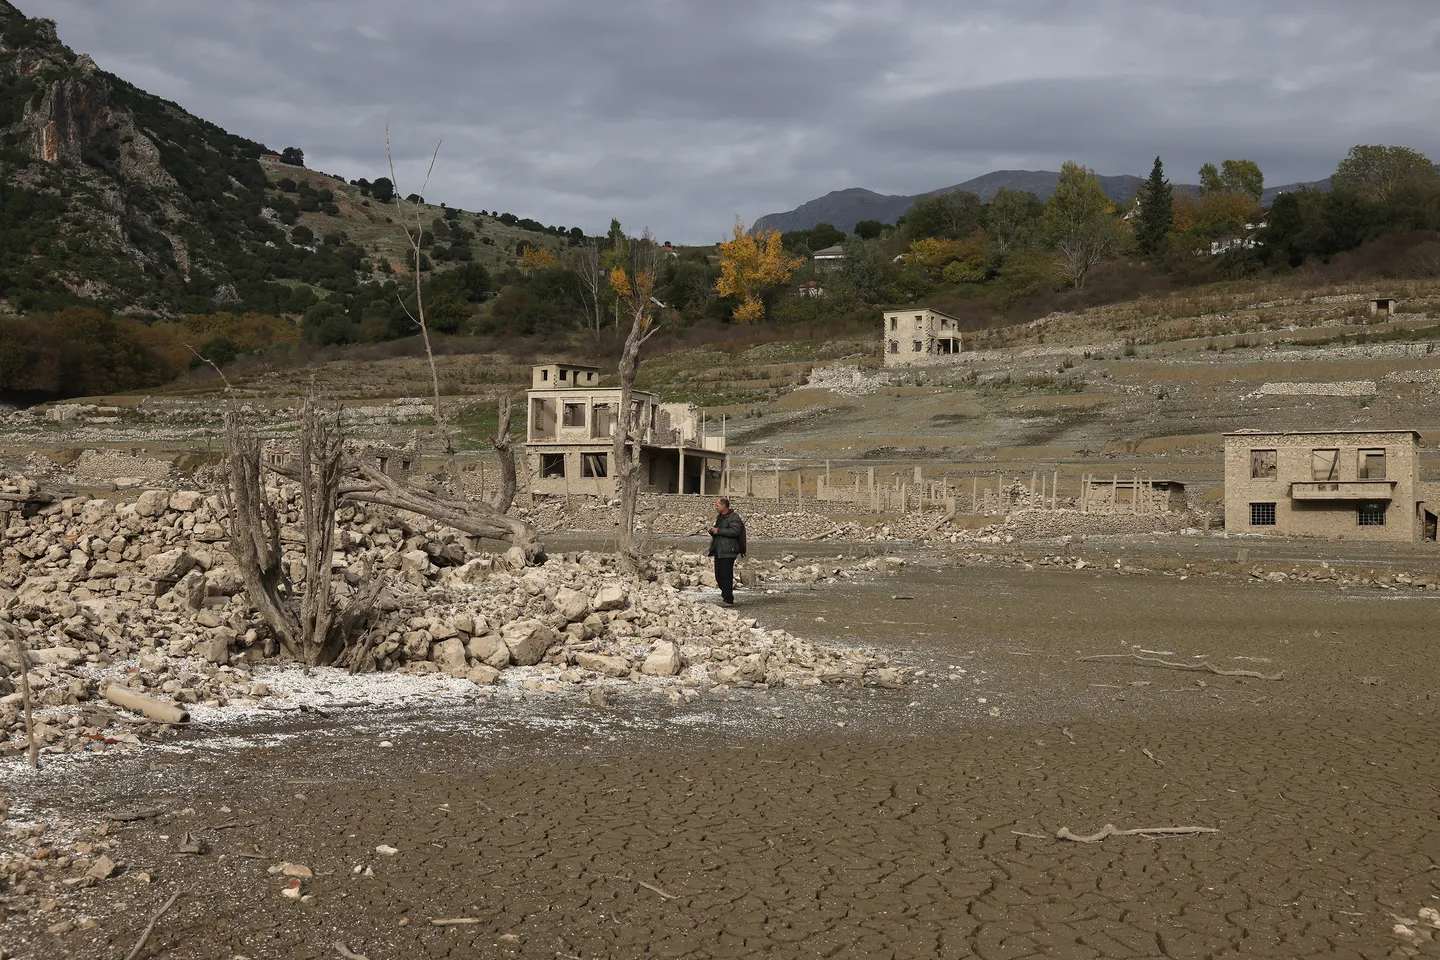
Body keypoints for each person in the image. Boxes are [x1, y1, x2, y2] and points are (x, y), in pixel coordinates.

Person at [707, 497, 746, 604]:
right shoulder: (721, 517)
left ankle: (728, 599)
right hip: (720, 551)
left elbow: (735, 531)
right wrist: (713, 531)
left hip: (729, 551)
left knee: (726, 575)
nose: (715, 507)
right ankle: (726, 596)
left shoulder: (734, 517)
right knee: (719, 576)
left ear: (723, 506)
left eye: (717, 505)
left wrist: (719, 531)